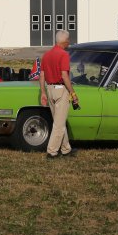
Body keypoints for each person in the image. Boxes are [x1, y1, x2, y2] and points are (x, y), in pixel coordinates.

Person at [39, 30, 78, 159]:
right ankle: (52, 151)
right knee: (59, 124)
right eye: (69, 40)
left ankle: (66, 149)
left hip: (49, 89)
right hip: (61, 89)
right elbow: (64, 76)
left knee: (59, 121)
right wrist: (73, 93)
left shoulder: (46, 55)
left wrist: (43, 92)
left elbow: (42, 75)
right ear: (65, 41)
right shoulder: (64, 55)